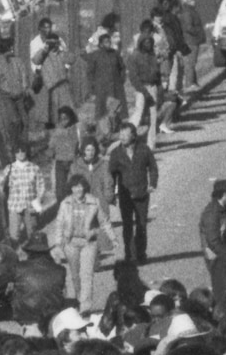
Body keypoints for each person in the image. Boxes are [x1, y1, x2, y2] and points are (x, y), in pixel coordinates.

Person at [51, 173, 109, 312]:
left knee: (87, 274)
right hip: (71, 243)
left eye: (81, 186)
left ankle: (85, 307)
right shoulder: (65, 203)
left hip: (89, 243)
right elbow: (59, 224)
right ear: (71, 188)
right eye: (75, 187)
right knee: (75, 275)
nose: (79, 190)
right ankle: (79, 300)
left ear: (85, 187)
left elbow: (103, 221)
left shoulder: (93, 201)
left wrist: (95, 232)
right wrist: (58, 244)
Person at [106, 120, 159, 266]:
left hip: (141, 193)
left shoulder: (144, 150)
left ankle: (141, 254)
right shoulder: (116, 153)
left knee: (141, 225)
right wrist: (112, 193)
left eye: (126, 134)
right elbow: (111, 174)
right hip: (125, 194)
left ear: (134, 136)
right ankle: (130, 255)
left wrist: (152, 184)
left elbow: (153, 167)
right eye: (120, 134)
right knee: (127, 225)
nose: (122, 137)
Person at [0, 144, 50, 245]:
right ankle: (13, 258)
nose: (20, 153)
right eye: (17, 151)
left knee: (33, 235)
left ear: (27, 152)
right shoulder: (9, 168)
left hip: (30, 207)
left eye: (23, 151)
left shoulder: (34, 168)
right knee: (13, 236)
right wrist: (2, 198)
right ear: (14, 154)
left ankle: (33, 257)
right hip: (14, 206)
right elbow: (0, 184)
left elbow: (41, 186)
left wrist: (38, 200)